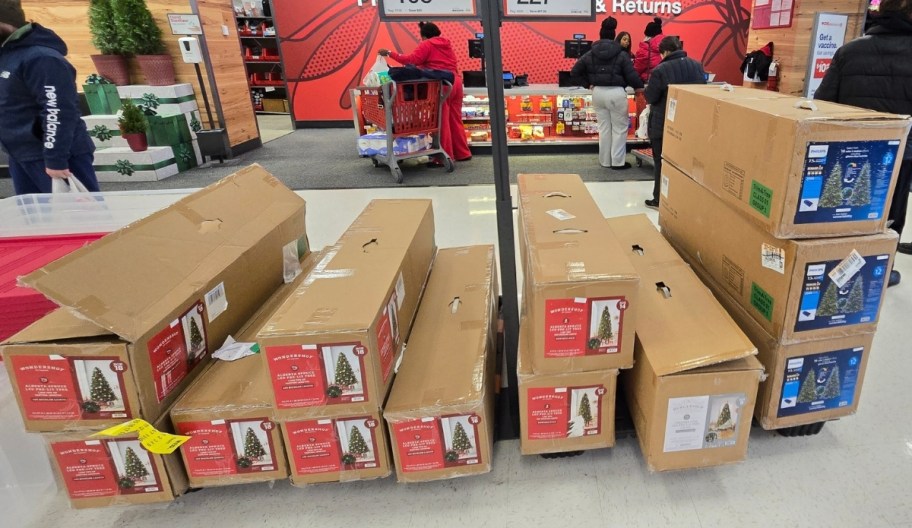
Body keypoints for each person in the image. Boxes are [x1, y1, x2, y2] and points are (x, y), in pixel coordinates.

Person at [815, 0, 912, 287]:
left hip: (850, 151)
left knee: (842, 211)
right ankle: (879, 272)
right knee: (889, 216)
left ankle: (831, 266)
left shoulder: (850, 51)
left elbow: (823, 104)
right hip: (900, 156)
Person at [0, 0, 98, 195]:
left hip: (54, 157)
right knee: (38, 221)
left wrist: (55, 159)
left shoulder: (41, 58)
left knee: (81, 220)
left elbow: (58, 109)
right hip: (21, 155)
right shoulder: (6, 56)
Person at [378, 22, 472, 164]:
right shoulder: (446, 45)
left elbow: (412, 60)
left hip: (441, 84)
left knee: (441, 121)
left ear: (424, 35)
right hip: (455, 82)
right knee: (455, 119)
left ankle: (443, 157)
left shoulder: (427, 44)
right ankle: (462, 153)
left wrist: (390, 53)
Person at [571, 17, 644, 170]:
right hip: (616, 93)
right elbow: (631, 75)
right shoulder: (622, 54)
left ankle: (604, 161)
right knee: (619, 128)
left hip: (597, 93)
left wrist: (588, 84)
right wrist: (640, 87)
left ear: (600, 34)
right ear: (614, 34)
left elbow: (575, 71)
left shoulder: (590, 53)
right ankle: (617, 162)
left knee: (604, 128)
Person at [643, 36, 706, 209]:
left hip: (663, 124)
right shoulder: (697, 65)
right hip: (689, 123)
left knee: (661, 162)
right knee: (685, 164)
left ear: (665, 52)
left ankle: (659, 199)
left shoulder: (660, 70)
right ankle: (684, 199)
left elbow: (651, 96)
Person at [634, 17, 664, 83]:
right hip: (666, 81)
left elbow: (637, 70)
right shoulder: (667, 45)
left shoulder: (644, 49)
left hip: (650, 82)